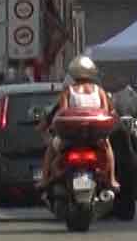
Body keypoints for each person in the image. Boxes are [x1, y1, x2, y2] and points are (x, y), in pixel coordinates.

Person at [39, 56, 118, 192]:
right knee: (108, 147)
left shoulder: (69, 91)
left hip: (71, 138)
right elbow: (106, 112)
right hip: (95, 137)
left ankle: (44, 179)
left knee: (51, 148)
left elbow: (62, 113)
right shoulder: (99, 91)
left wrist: (53, 126)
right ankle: (112, 179)